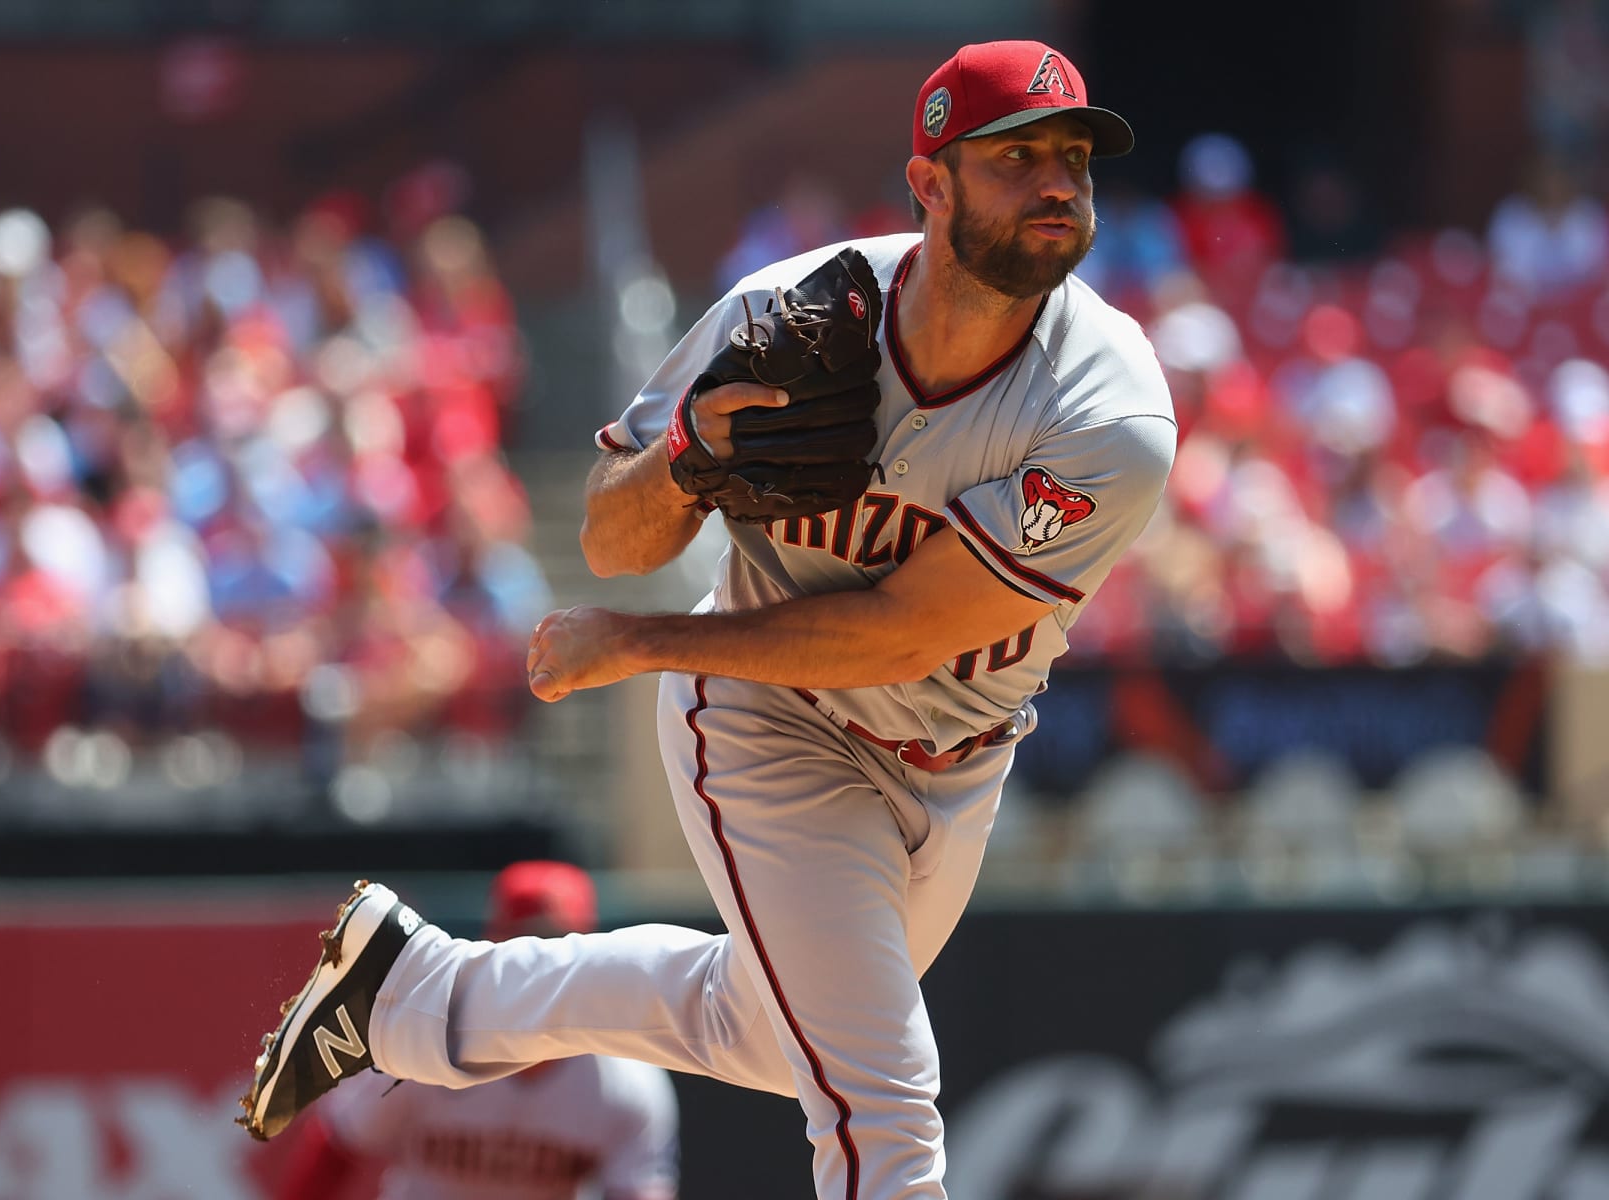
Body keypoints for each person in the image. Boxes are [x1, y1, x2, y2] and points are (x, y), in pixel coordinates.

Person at [236, 39, 1176, 1200]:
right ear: (928, 184)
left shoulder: (1108, 407)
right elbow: (609, 536)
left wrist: (640, 643)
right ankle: (424, 1001)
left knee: (772, 1034)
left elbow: (907, 632)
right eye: (1016, 156)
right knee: (881, 1094)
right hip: (769, 719)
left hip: (954, 756)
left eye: (1074, 156)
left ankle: (423, 997)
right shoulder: (788, 316)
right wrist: (686, 458)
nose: (1056, 182)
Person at [271, 861, 679, 1200]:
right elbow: (336, 1148)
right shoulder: (424, 1044)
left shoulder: (626, 1083)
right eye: (525, 942)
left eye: (557, 943)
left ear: (590, 955)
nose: (541, 963)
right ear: (492, 948)